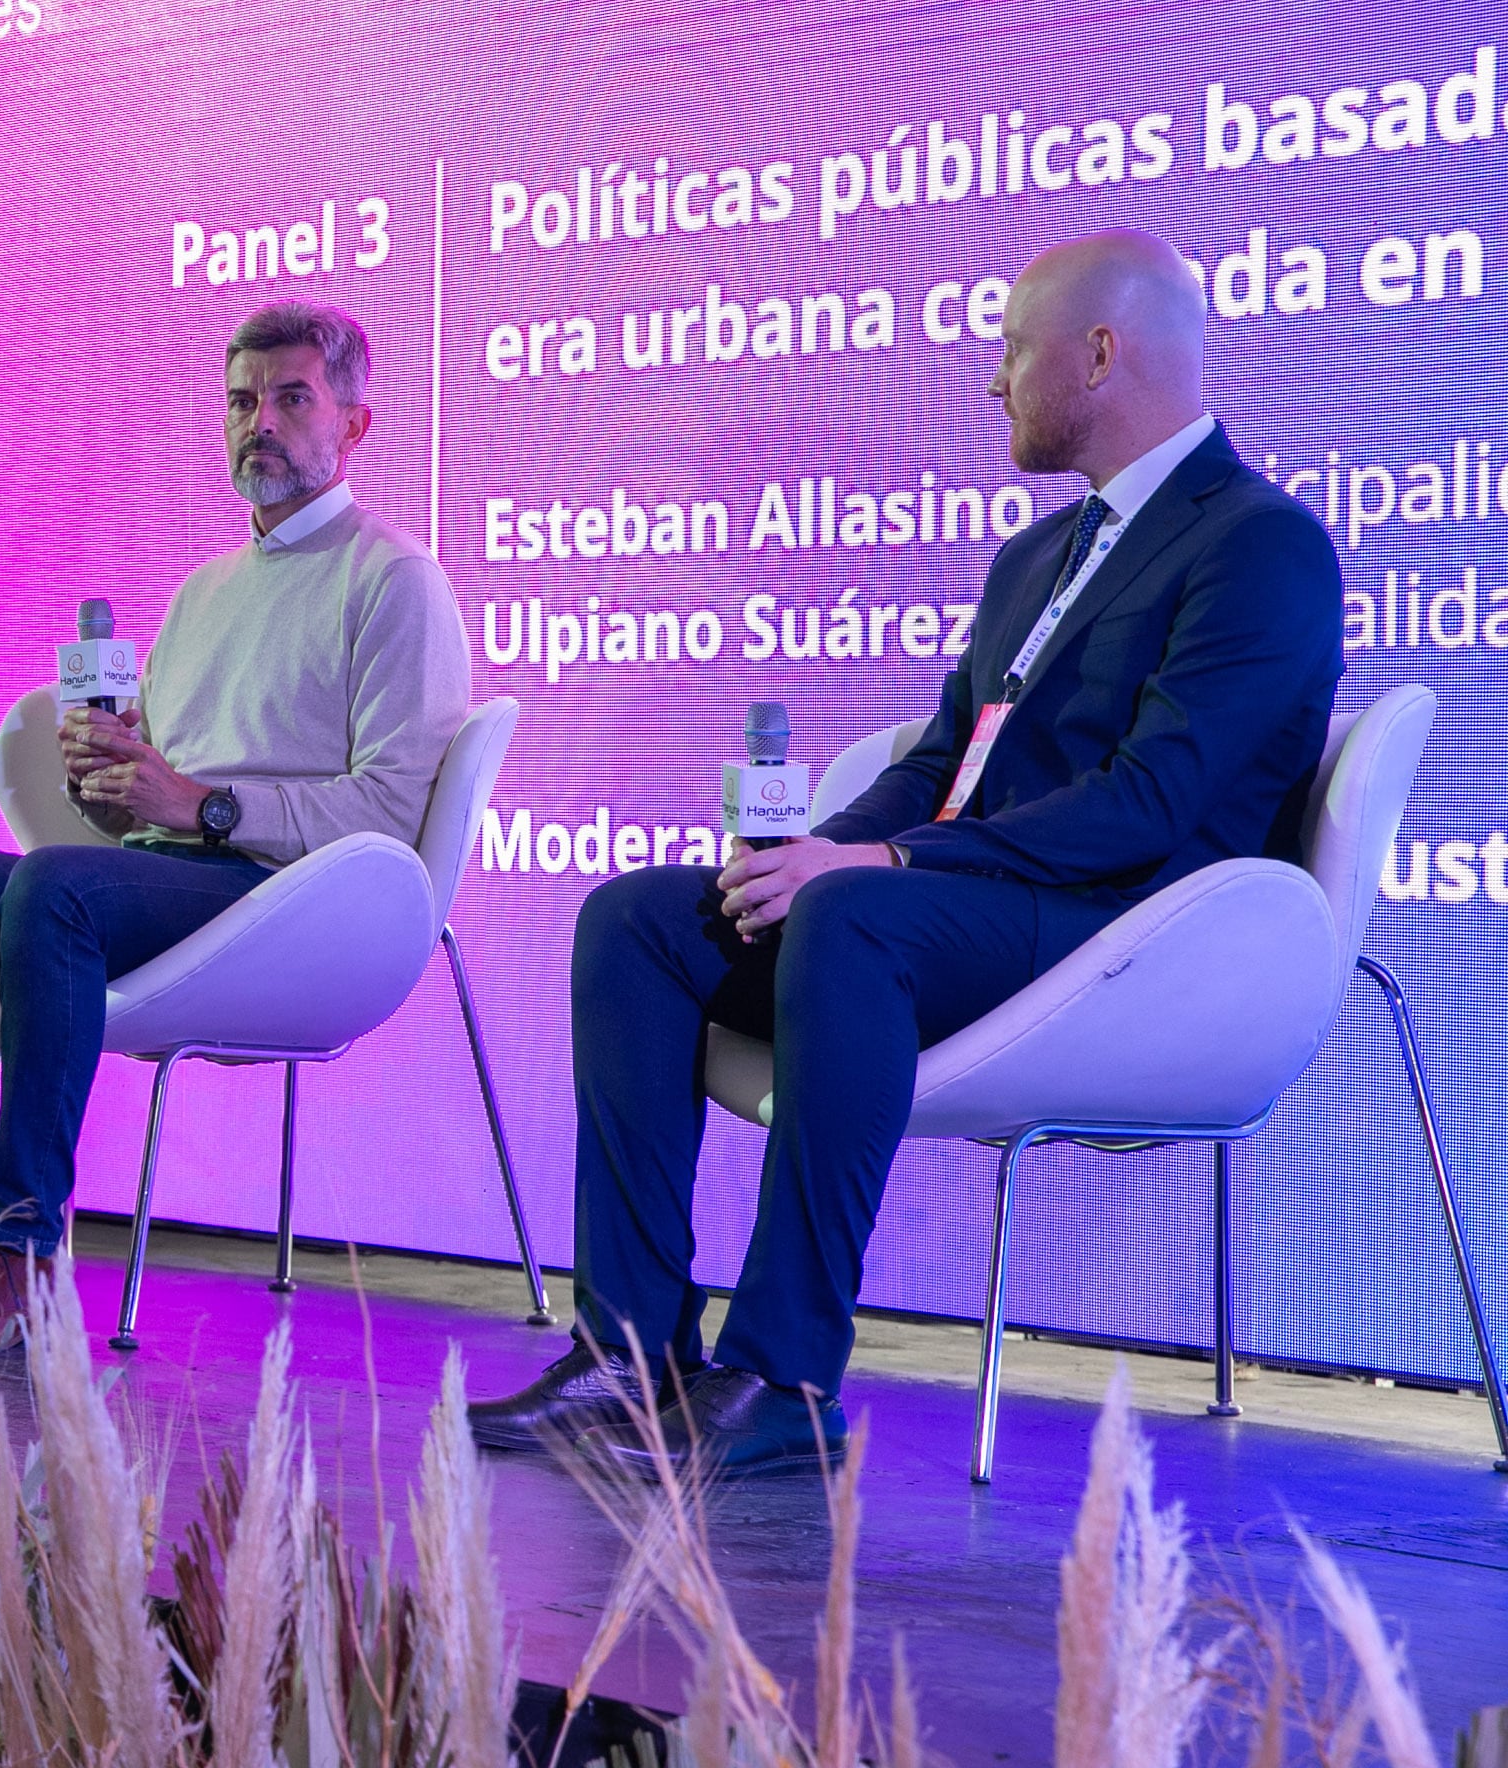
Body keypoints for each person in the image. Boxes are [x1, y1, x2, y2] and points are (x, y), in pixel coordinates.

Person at [472, 229, 1346, 1476]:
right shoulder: (1036, 556)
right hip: (962, 917)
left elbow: (1153, 803)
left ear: (1099, 352)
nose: (993, 381)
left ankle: (782, 1372)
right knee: (638, 920)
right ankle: (629, 1353)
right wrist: (818, 852)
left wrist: (876, 876)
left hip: (1127, 929)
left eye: (1010, 350)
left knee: (852, 920)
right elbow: (943, 762)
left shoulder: (1258, 542)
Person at [0, 302, 470, 1350]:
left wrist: (200, 804)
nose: (262, 421)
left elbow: (390, 813)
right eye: (243, 400)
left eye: (293, 398)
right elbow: (142, 795)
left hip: (287, 899)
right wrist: (109, 780)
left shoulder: (395, 580)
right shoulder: (204, 593)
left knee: (55, 887)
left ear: (354, 425)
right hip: (154, 880)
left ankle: (19, 1250)